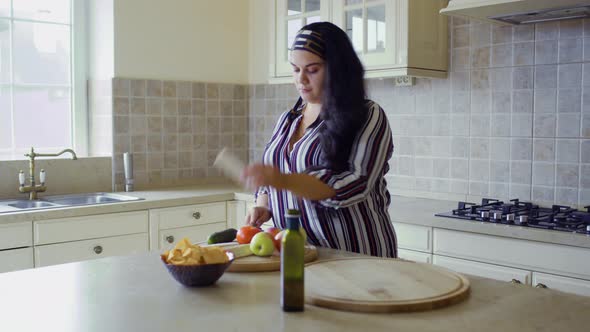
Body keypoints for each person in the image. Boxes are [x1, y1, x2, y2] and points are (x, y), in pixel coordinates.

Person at [241, 22, 397, 258]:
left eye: (312, 70)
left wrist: (283, 180)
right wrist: (264, 204)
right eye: (295, 69)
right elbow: (272, 177)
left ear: (337, 70)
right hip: (299, 254)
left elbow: (351, 186)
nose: (301, 79)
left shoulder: (368, 115)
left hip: (357, 256)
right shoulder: (288, 119)